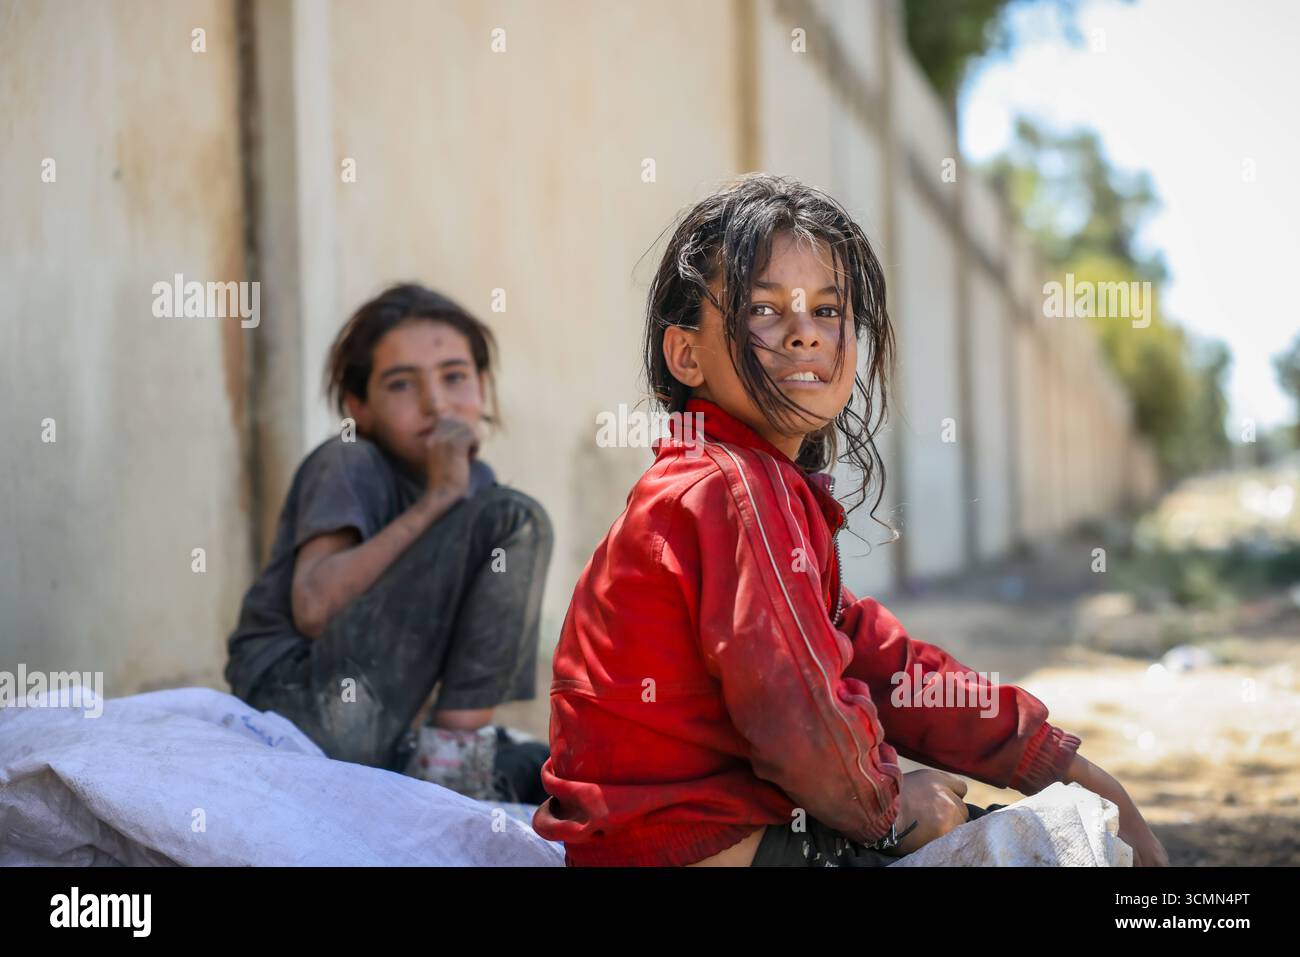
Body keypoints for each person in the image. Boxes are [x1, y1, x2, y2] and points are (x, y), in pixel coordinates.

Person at [532, 174, 1169, 866]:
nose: (805, 335)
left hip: (709, 841)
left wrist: (1041, 754)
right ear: (686, 353)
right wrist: (893, 808)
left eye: (829, 311)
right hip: (703, 849)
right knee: (1068, 850)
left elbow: (875, 661)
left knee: (1043, 824)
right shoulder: (730, 490)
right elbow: (798, 711)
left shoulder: (744, 484)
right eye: (764, 310)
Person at [224, 283, 553, 805]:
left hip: (381, 728)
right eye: (402, 385)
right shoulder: (350, 461)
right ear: (359, 406)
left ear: (483, 387)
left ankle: (448, 764)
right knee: (516, 518)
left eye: (455, 377)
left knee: (545, 767)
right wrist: (438, 500)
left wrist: (453, 494)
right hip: (299, 703)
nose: (435, 402)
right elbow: (314, 608)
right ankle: (453, 768)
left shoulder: (476, 487)